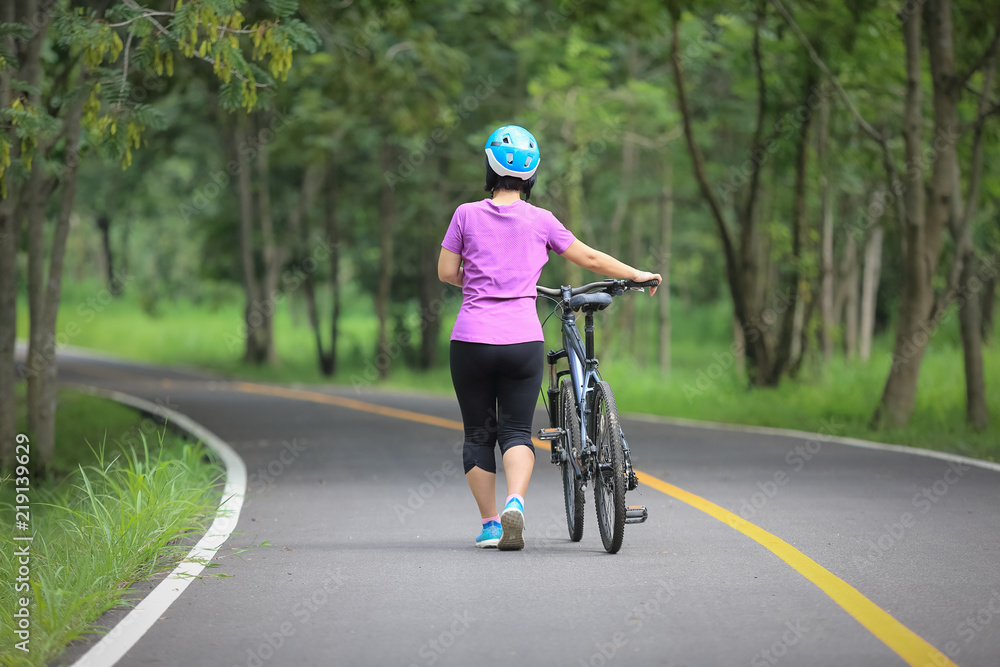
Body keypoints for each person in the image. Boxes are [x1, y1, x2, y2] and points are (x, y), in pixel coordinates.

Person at [438, 125, 661, 551]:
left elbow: (447, 272)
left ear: (489, 167)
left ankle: (490, 526)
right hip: (522, 342)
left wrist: (482, 279)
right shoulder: (541, 220)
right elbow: (589, 257)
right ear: (532, 175)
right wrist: (636, 274)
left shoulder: (465, 214)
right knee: (516, 431)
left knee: (479, 435)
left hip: (471, 342)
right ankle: (516, 504)